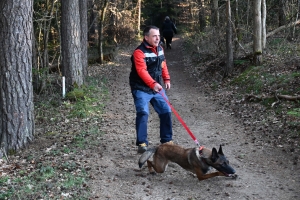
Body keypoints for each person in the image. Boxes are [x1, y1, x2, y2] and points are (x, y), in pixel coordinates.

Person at [129, 25, 173, 154]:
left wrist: (167, 79)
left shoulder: (160, 48)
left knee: (166, 110)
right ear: (146, 37)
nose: (157, 38)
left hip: (156, 87)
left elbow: (163, 65)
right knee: (143, 112)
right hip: (141, 87)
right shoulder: (139, 52)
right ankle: (142, 143)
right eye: (154, 36)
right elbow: (141, 71)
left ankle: (166, 141)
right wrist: (153, 84)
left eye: (158, 36)